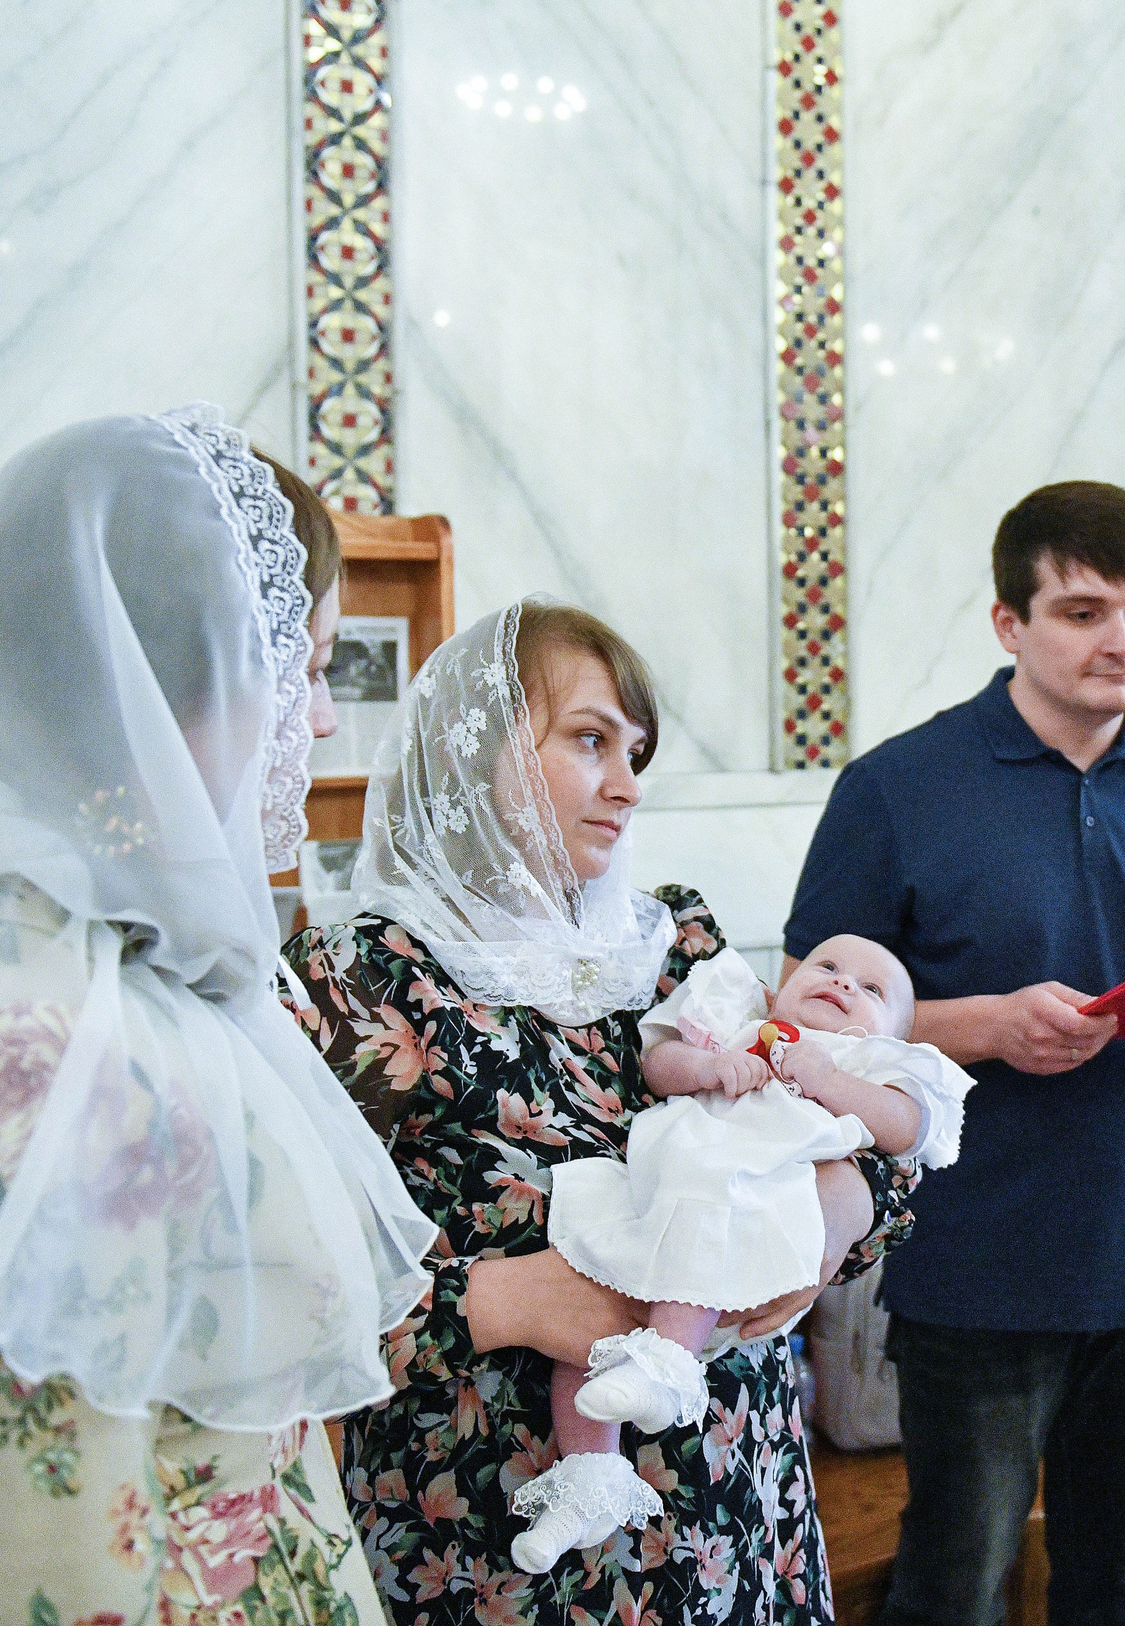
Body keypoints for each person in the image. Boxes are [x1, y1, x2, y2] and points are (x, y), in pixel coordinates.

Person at [0, 409, 438, 1622]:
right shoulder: (35, 1048)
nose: (322, 723)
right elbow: (48, 1557)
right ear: (188, 677)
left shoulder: (99, 949)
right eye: (309, 669)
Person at [283, 598, 918, 1623]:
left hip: (725, 1506)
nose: (626, 785)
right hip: (498, 1537)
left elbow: (851, 1098)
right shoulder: (360, 983)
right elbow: (282, 1280)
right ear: (474, 752)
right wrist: (503, 1300)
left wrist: (843, 1203)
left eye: (636, 751)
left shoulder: (678, 948)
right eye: (589, 741)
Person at [783, 481, 1125, 1626]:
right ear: (1010, 624)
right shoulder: (898, 789)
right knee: (956, 1583)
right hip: (980, 1257)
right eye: (1085, 611)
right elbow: (807, 1025)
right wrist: (985, 1026)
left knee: (1121, 1583)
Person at [515, 937, 972, 1572]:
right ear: (780, 987)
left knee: (671, 1277)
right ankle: (589, 1473)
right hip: (663, 1186)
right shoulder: (742, 1016)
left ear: (895, 1033)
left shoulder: (875, 1062)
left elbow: (906, 1130)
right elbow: (659, 1062)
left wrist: (829, 1079)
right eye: (829, 967)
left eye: (872, 991)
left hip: (747, 1199)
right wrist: (707, 1067)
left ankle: (668, 1361)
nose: (843, 985)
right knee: (585, 1315)